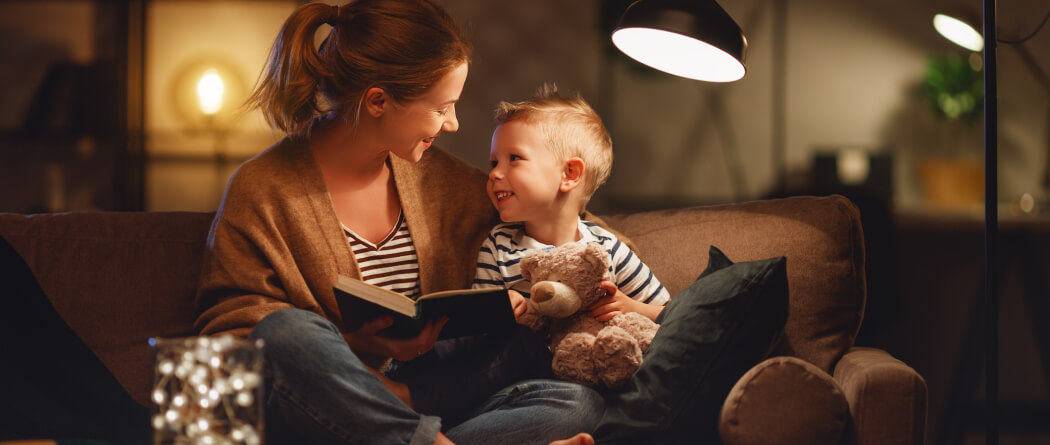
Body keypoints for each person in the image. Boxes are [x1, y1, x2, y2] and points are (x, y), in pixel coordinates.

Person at [193, 2, 604, 444]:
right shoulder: (263, 189)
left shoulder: (446, 183)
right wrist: (350, 344)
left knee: (576, 404)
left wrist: (613, 282)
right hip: (332, 410)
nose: (452, 124)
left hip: (432, 397)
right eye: (442, 107)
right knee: (284, 333)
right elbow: (233, 340)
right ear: (378, 101)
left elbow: (565, 221)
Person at [474, 85, 670, 323]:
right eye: (494, 163)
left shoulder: (607, 249)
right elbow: (476, 323)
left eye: (514, 158)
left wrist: (631, 307)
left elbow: (671, 314)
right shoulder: (498, 247)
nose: (494, 174)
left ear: (570, 174)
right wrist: (502, 308)